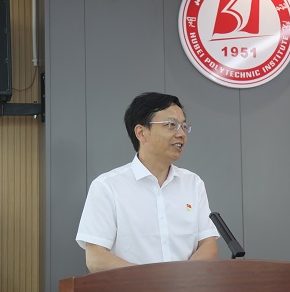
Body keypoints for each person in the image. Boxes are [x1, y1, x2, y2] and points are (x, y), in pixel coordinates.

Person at [76, 92, 219, 272]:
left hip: (186, 289)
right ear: (141, 133)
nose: (181, 134)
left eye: (183, 126)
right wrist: (152, 282)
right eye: (171, 125)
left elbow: (208, 244)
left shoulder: (193, 183)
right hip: (133, 289)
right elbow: (96, 258)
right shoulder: (107, 186)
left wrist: (181, 280)